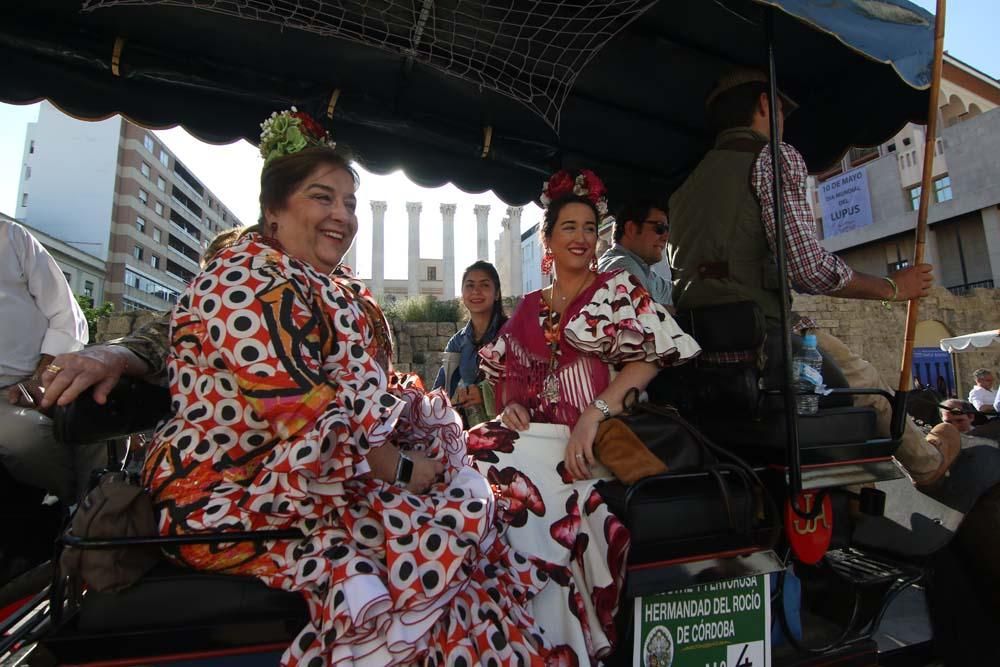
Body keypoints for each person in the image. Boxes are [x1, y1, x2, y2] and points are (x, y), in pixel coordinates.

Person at [135, 110, 552, 666]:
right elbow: (306, 415)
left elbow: (366, 391)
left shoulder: (325, 287)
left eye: (350, 202)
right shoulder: (244, 282)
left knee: (476, 509)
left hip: (323, 474)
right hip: (241, 489)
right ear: (273, 209)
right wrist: (407, 469)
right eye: (321, 197)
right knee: (455, 525)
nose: (342, 214)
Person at [667, 67, 955, 486]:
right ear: (765, 105)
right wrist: (893, 288)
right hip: (763, 345)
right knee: (864, 380)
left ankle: (859, 489)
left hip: (704, 353)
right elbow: (807, 268)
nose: (783, 124)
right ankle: (927, 466)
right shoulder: (774, 157)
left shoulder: (684, 188)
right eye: (782, 112)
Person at [469, 168, 700, 660]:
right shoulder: (529, 307)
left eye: (589, 228)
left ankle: (558, 643)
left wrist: (593, 415)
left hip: (590, 442)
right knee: (472, 455)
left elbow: (648, 359)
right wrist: (510, 405)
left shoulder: (616, 291)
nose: (580, 237)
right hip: (536, 439)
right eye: (568, 227)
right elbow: (507, 376)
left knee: (509, 484)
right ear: (548, 239)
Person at [0, 218, 92, 502]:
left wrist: (42, 377)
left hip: (39, 377)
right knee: (28, 438)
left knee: (99, 425)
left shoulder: (11, 237)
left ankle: (95, 515)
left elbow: (67, 318)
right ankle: (76, 511)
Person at [433, 261, 507, 426]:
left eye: (485, 285)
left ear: (496, 294)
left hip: (510, 428)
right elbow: (440, 392)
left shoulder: (512, 334)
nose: (476, 291)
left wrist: (485, 393)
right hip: (472, 430)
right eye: (470, 285)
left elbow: (528, 384)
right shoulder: (458, 342)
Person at [597, 198, 673, 307]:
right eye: (659, 228)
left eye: (667, 230)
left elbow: (677, 293)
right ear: (631, 229)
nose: (666, 237)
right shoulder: (623, 269)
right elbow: (650, 316)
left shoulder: (641, 268)